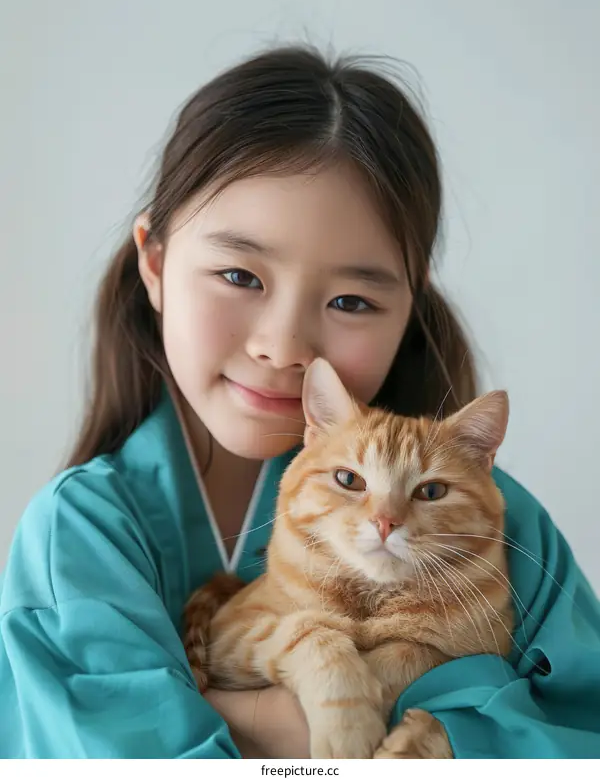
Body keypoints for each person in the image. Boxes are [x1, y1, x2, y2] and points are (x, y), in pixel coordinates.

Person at [1, 45, 599, 760]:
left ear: (409, 312)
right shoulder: (82, 532)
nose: (285, 346)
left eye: (350, 300)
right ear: (155, 266)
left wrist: (240, 715)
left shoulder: (502, 524)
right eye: (237, 274)